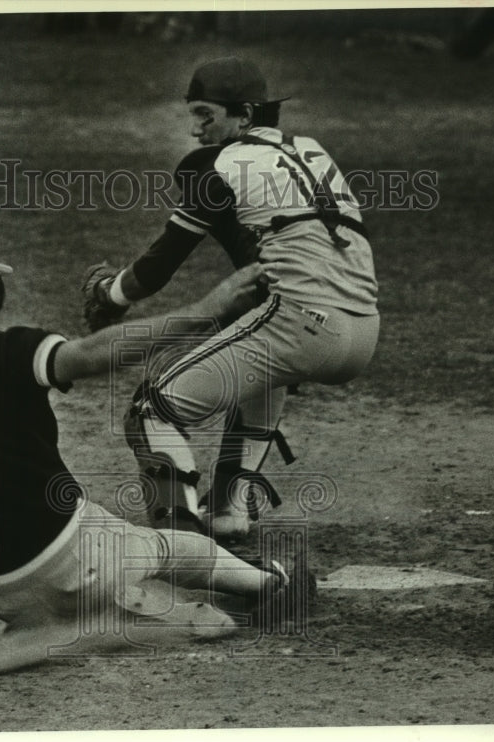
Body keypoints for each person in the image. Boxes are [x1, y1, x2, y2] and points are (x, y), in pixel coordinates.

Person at [0, 228, 290, 653]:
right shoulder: (14, 352)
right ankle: (274, 584)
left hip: (1, 593)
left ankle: (71, 618)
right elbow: (93, 354)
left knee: (98, 559)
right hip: (78, 562)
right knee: (171, 549)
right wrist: (205, 308)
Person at [81, 56, 379, 542]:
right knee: (264, 358)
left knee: (150, 410)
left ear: (244, 113)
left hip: (301, 325)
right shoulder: (312, 150)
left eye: (205, 115)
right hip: (363, 329)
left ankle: (183, 543)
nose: (196, 130)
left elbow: (157, 268)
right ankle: (228, 512)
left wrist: (108, 294)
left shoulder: (216, 166)